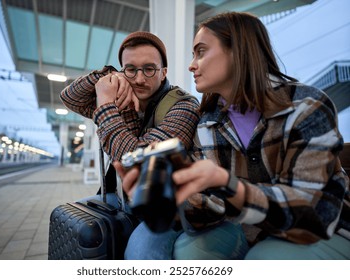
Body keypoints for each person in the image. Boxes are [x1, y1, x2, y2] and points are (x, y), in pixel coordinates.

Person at [116, 12, 350, 259]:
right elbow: (213, 209)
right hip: (247, 228)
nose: (191, 65)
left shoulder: (305, 107)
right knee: (191, 252)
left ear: (238, 51)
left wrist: (228, 185)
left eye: (201, 52)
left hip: (324, 230)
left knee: (264, 258)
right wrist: (173, 197)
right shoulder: (206, 123)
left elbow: (312, 212)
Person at [60, 31, 199, 205]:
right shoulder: (121, 96)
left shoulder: (184, 106)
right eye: (131, 69)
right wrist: (109, 77)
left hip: (161, 206)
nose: (139, 79)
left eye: (149, 69)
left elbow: (139, 163)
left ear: (163, 73)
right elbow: (70, 98)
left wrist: (105, 106)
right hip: (119, 197)